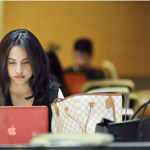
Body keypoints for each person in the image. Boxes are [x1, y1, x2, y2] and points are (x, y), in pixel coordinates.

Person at [0, 29, 64, 133]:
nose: (19, 71)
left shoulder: (53, 94)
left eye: (25, 62)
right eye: (12, 63)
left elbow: (62, 141)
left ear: (37, 61)